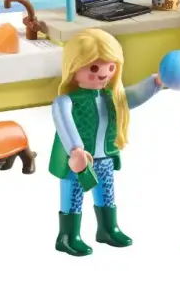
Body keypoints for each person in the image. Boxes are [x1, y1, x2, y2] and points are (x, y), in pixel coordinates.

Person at [49, 28, 162, 256]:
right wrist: (76, 150)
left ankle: (108, 229)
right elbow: (64, 124)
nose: (103, 74)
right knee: (73, 197)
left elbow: (133, 96)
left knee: (107, 195)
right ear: (73, 68)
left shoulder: (112, 97)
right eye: (94, 68)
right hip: (77, 162)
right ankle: (67, 236)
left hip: (105, 157)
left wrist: (155, 82)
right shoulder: (65, 101)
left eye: (110, 67)